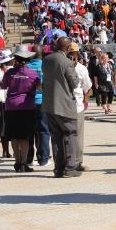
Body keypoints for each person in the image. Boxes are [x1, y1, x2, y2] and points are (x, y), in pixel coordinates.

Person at [42, 37, 81, 178]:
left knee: (56, 137)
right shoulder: (67, 62)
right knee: (70, 134)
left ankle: (58, 168)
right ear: (69, 47)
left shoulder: (46, 60)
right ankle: (70, 168)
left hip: (49, 104)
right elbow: (75, 83)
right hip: (64, 104)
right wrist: (74, 67)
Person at [0, 45, 40, 173]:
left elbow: (3, 85)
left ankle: (17, 161)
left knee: (14, 136)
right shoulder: (33, 74)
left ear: (15, 58)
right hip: (27, 106)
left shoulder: (9, 73)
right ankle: (23, 162)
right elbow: (40, 87)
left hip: (11, 107)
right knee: (25, 137)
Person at [26, 44, 51, 167]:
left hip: (29, 102)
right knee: (44, 131)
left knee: (29, 131)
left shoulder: (26, 67)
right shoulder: (46, 67)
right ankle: (43, 159)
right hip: (43, 102)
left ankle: (29, 158)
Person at [68, 42, 92, 172]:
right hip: (76, 103)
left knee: (65, 134)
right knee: (77, 134)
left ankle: (67, 162)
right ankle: (76, 162)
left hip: (68, 104)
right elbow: (87, 86)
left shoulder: (60, 66)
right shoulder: (81, 68)